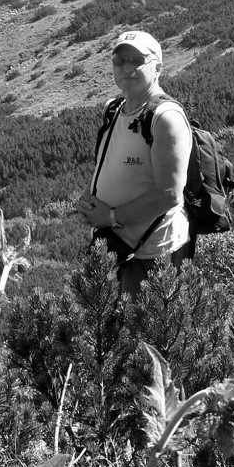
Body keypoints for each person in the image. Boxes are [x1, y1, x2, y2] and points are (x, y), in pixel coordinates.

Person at [75, 30, 192, 297]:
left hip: (152, 251)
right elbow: (109, 160)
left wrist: (111, 216)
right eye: (120, 60)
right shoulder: (113, 108)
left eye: (137, 60)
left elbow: (169, 194)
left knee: (147, 333)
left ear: (158, 67)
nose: (127, 67)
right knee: (106, 328)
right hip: (115, 243)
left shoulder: (166, 118)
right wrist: (90, 196)